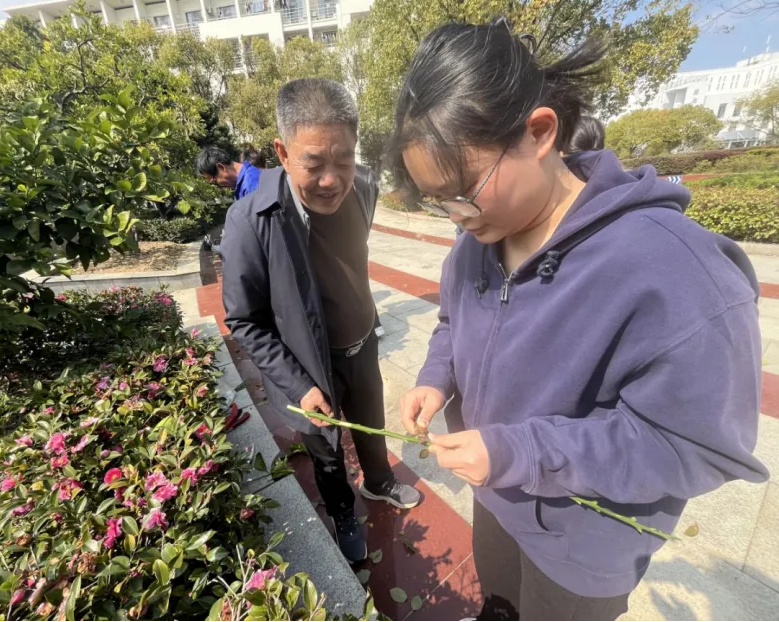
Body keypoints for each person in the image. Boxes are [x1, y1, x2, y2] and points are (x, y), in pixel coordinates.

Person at [392, 18, 768, 622]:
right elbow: (451, 322)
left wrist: (520, 451)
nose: (456, 216)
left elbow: (696, 445)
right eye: (438, 201)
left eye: (463, 191)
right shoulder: (473, 244)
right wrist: (436, 378)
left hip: (583, 546)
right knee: (497, 607)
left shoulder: (676, 270)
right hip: (497, 497)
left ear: (540, 132)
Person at [219, 77, 421, 564]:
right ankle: (342, 511)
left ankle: (379, 481)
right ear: (282, 152)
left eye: (343, 160)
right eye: (314, 164)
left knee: (371, 423)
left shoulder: (364, 187)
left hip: (362, 346)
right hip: (306, 367)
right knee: (325, 447)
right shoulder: (250, 220)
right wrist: (298, 385)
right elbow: (245, 320)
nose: (332, 180)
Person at [195, 146, 261, 199]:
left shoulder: (250, 186)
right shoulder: (248, 178)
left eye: (215, 182)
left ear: (221, 167)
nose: (220, 186)